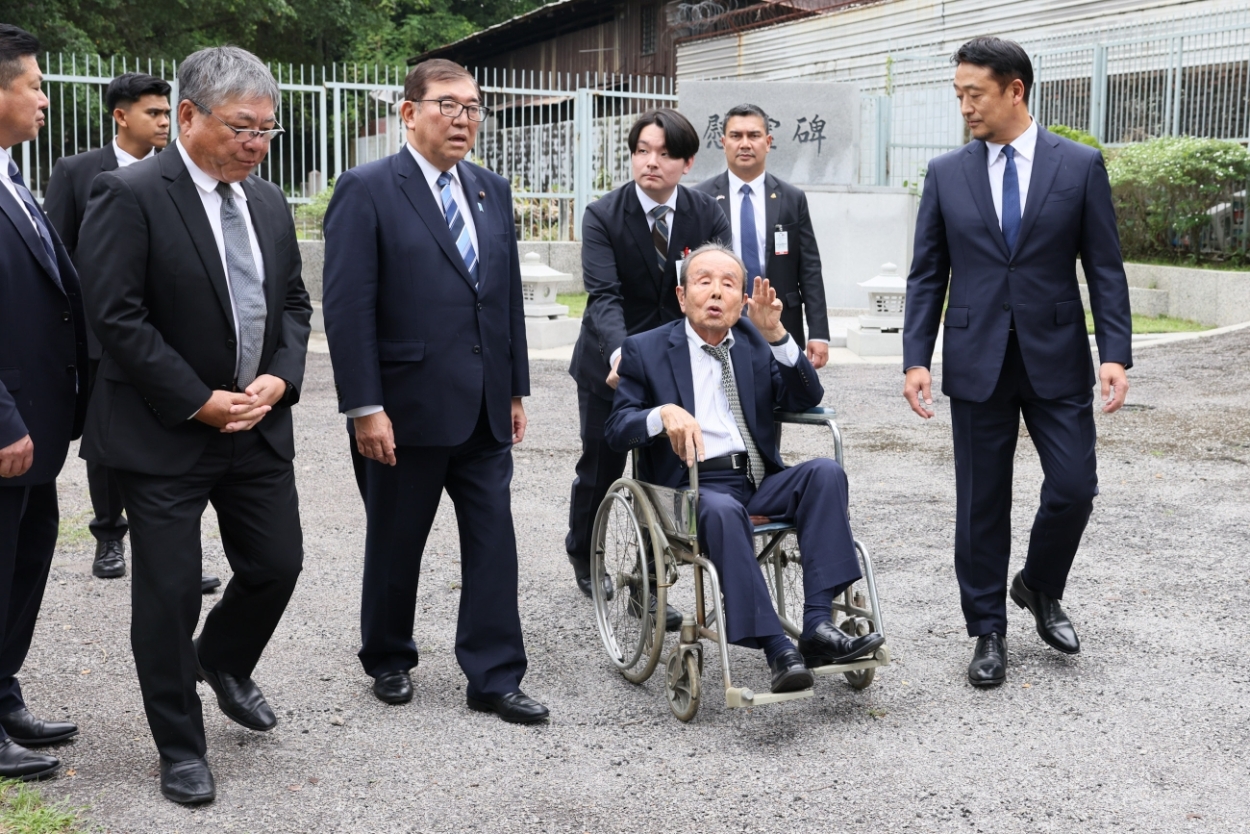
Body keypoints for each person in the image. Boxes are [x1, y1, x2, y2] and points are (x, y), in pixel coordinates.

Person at [77, 46, 311, 804]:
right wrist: (196, 398)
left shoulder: (268, 202)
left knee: (278, 564)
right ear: (187, 115)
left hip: (256, 428)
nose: (256, 144)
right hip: (164, 432)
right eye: (243, 128)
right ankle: (180, 745)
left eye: (268, 131)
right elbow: (115, 316)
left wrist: (282, 374)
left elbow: (296, 307)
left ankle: (224, 659)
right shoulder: (131, 194)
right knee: (170, 593)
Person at [322, 59, 547, 725]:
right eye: (447, 104)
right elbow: (348, 307)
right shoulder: (367, 189)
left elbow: (501, 300)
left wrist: (514, 391)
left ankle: (494, 675)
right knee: (396, 539)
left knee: (493, 540)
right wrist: (366, 407)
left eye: (473, 107)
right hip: (403, 407)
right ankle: (388, 656)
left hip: (482, 405)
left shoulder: (489, 189)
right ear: (409, 112)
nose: (462, 118)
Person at [902, 37, 1132, 687]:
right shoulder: (947, 172)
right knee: (981, 502)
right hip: (977, 356)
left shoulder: (1079, 165)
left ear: (1015, 90)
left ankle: (1037, 584)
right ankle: (987, 632)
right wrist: (915, 357)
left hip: (1056, 354)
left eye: (974, 93)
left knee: (1073, 487)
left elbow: (1105, 269)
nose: (965, 106)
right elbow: (927, 274)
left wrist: (1114, 352)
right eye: (958, 95)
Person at [605, 243, 884, 692]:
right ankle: (777, 646)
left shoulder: (754, 343)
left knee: (825, 473)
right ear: (682, 297)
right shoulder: (646, 349)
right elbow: (618, 428)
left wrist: (777, 336)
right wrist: (662, 415)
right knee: (719, 510)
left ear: (742, 302)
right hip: (691, 484)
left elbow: (805, 398)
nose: (716, 292)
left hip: (756, 479)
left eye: (728, 284)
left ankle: (816, 625)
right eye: (704, 282)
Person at [43, 72, 220, 592]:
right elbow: (58, 255)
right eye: (154, 113)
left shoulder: (188, 174)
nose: (166, 122)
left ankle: (170, 553)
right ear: (121, 116)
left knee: (176, 442)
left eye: (169, 113)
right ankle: (107, 535)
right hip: (105, 335)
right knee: (112, 443)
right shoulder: (78, 171)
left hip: (178, 339)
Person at [567, 108, 730, 613]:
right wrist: (624, 356)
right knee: (602, 464)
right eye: (642, 151)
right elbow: (604, 297)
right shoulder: (603, 215)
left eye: (663, 154)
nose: (650, 163)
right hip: (609, 362)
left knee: (668, 471)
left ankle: (649, 578)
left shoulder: (707, 214)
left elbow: (715, 289)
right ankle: (585, 553)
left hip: (680, 364)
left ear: (687, 162)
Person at [0, 24, 89, 782]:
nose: (44, 95)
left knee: (23, 567)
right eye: (32, 83)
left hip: (40, 423)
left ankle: (4, 695)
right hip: (8, 426)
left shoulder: (13, 176)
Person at [693, 103, 831, 368]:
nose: (745, 144)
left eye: (754, 136)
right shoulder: (702, 198)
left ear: (768, 142)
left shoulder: (792, 198)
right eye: (736, 136)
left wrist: (819, 332)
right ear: (723, 142)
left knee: (781, 399)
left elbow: (810, 269)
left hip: (779, 320)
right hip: (718, 318)